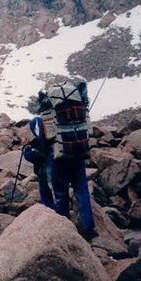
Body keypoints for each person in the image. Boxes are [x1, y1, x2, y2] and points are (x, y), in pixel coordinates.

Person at [39, 80, 98, 240]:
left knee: (61, 194)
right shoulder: (77, 107)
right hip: (78, 154)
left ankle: (65, 230)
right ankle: (88, 228)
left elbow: (45, 138)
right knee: (82, 191)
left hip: (59, 158)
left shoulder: (49, 112)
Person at [23, 116, 55, 210]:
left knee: (46, 193)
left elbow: (34, 157)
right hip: (55, 168)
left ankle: (49, 210)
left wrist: (26, 150)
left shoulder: (39, 142)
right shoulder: (52, 138)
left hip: (44, 172)